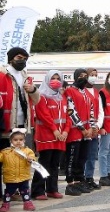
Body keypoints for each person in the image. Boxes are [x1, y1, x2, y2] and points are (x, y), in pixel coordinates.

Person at [0, 47, 39, 198]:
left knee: (17, 160)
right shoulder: (3, 75)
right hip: (5, 124)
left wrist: (33, 89)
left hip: (22, 124)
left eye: (24, 57)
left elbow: (37, 100)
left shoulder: (25, 75)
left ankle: (13, 189)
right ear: (10, 58)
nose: (21, 60)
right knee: (4, 158)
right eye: (18, 57)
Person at [31, 70, 67, 200]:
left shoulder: (61, 97)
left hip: (60, 137)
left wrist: (65, 131)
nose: (56, 81)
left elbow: (67, 116)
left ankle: (52, 189)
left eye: (58, 78)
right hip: (46, 135)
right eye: (53, 78)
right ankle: (37, 190)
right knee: (44, 162)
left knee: (54, 163)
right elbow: (43, 115)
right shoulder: (41, 96)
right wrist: (55, 130)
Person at [63, 69, 94, 195]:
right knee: (72, 158)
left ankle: (79, 181)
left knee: (82, 158)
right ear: (75, 77)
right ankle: (70, 184)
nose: (83, 78)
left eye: (85, 76)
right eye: (80, 76)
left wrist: (91, 126)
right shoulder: (70, 91)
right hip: (76, 131)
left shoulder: (86, 92)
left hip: (87, 132)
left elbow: (91, 110)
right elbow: (71, 111)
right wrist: (82, 127)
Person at [0, 129, 36, 212]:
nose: (18, 142)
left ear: (24, 140)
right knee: (9, 191)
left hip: (23, 177)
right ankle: (6, 203)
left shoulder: (28, 151)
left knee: (25, 191)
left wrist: (30, 159)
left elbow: (32, 160)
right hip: (10, 177)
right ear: (11, 141)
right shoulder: (6, 152)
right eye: (15, 140)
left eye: (21, 140)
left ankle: (27, 202)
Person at [83, 68, 101, 191]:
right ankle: (82, 178)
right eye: (91, 75)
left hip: (94, 129)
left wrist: (97, 126)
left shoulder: (96, 92)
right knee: (84, 155)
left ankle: (89, 177)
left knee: (92, 155)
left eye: (95, 75)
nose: (93, 77)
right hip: (84, 129)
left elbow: (100, 111)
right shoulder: (81, 91)